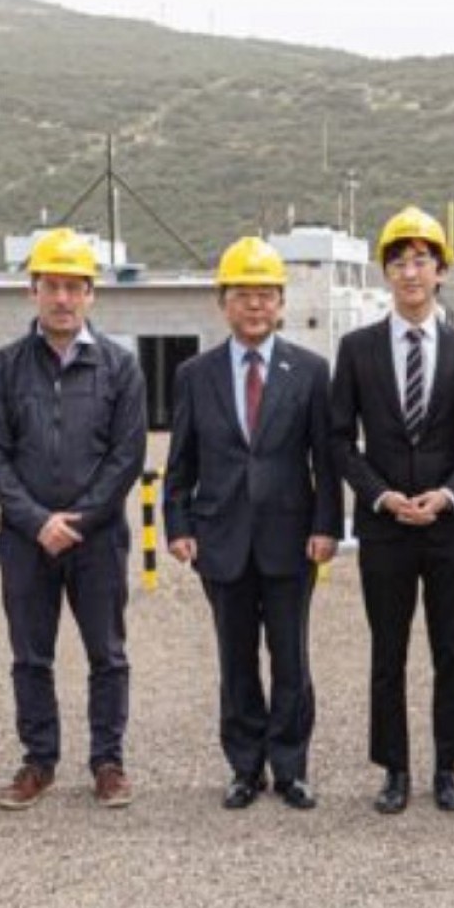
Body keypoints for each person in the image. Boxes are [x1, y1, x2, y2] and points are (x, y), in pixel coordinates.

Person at [331, 207, 454, 814]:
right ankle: (394, 769)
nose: (411, 272)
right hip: (385, 527)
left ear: (440, 272)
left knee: (450, 650)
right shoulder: (355, 350)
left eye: (422, 260)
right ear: (386, 274)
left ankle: (448, 766)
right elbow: (337, 439)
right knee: (389, 652)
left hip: (450, 528)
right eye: (399, 261)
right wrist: (378, 494)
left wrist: (451, 494)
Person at [164, 237, 342, 810]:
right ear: (224, 302)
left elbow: (326, 459)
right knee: (235, 660)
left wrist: (327, 525)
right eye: (244, 295)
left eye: (266, 295)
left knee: (291, 659)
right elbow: (181, 461)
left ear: (281, 304)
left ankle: (290, 767)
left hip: (292, 541)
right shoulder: (195, 374)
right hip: (221, 540)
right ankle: (245, 767)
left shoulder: (311, 372)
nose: (256, 306)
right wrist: (177, 524)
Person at [0, 229, 148, 811]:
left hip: (97, 539)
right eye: (53, 286)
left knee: (108, 654)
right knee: (30, 655)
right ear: (34, 291)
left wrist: (82, 518)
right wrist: (34, 519)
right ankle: (38, 760)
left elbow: (127, 456)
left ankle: (107, 761)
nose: (64, 299)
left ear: (91, 294)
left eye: (75, 287)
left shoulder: (120, 368)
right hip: (27, 541)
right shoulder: (5, 368)